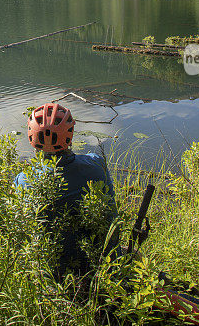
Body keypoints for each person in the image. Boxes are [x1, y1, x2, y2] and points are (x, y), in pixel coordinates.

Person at [14, 102, 118, 279]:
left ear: (32, 137)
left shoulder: (23, 180)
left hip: (53, 274)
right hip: (100, 266)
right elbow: (112, 214)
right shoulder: (95, 165)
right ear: (69, 135)